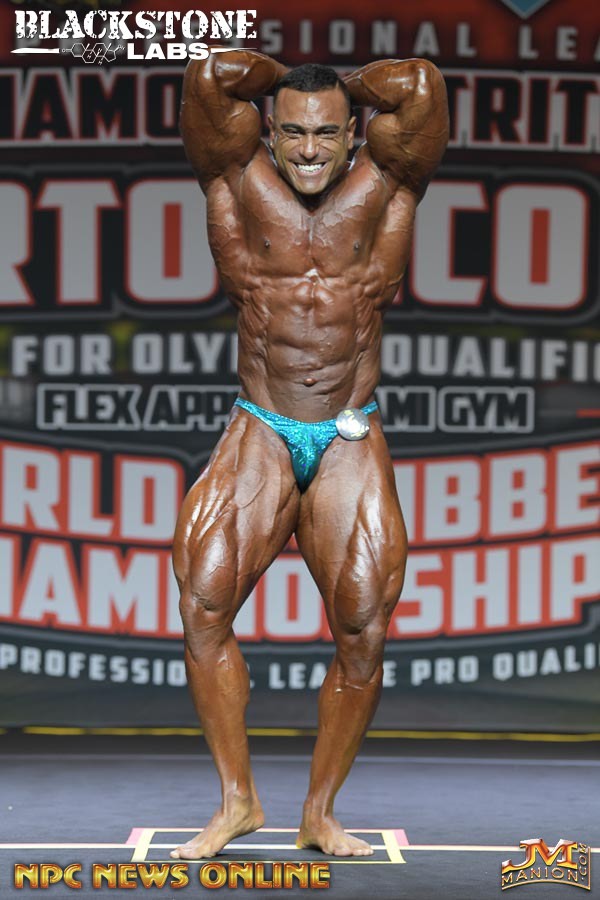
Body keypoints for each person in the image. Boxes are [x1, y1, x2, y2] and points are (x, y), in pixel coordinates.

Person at [170, 51, 448, 860]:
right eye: (292, 131)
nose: (310, 149)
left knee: (362, 626)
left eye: (327, 132)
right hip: (261, 424)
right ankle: (237, 802)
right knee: (203, 603)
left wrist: (338, 84)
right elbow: (208, 77)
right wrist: (289, 76)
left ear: (354, 132)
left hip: (348, 432)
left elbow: (421, 85)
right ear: (268, 129)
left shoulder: (389, 182)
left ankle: (320, 813)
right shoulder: (234, 175)